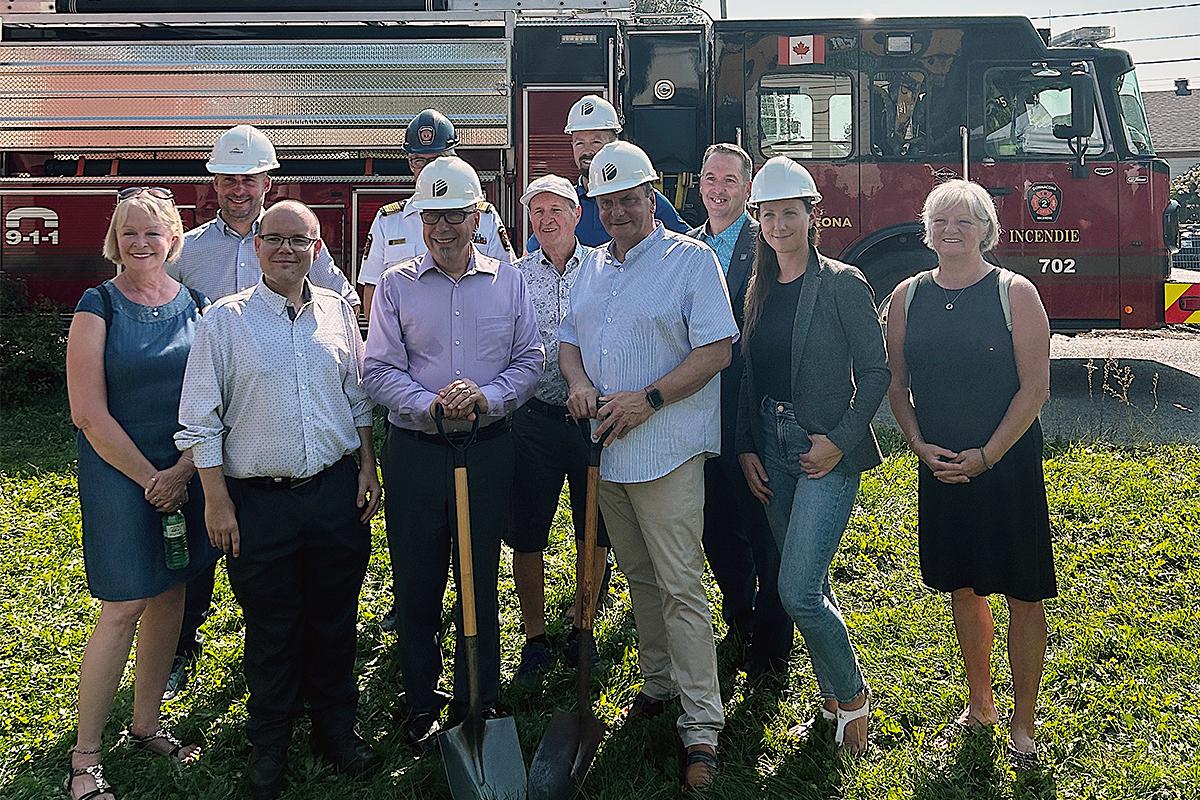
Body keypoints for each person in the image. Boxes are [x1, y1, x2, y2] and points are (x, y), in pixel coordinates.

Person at [176, 201, 381, 800]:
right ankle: (269, 745)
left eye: (301, 240)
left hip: (334, 492)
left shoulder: (339, 314)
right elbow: (199, 419)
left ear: (318, 250)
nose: (287, 249)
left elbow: (359, 397)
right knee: (272, 624)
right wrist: (215, 500)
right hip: (258, 501)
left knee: (335, 617)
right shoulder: (224, 321)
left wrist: (368, 465)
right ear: (258, 246)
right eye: (276, 239)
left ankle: (334, 731)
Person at [559, 141, 737, 790]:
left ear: (652, 195)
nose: (617, 211)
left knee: (682, 587)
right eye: (605, 202)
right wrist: (577, 382)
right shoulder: (591, 268)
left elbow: (716, 349)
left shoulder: (689, 261)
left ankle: (702, 728)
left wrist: (649, 398)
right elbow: (570, 342)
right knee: (639, 577)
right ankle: (658, 685)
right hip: (607, 458)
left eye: (628, 199)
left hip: (665, 454)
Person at [162, 123, 359, 701]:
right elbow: (155, 302)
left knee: (268, 563)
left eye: (249, 179)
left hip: (280, 426)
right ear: (214, 185)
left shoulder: (298, 239)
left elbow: (341, 305)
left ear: (266, 182)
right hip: (211, 412)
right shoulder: (191, 251)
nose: (238, 189)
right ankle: (183, 646)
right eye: (228, 179)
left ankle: (294, 676)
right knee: (206, 538)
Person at [362, 156, 543, 752]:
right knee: (417, 579)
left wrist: (487, 397)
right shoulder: (395, 286)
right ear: (420, 221)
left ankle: (479, 695)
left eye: (455, 217)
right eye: (432, 217)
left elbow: (530, 360)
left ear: (478, 216)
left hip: (488, 449)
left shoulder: (509, 279)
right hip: (416, 452)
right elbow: (379, 370)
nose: (443, 228)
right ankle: (420, 699)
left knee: (479, 576)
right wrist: (431, 405)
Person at [885, 179, 1054, 770]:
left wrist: (988, 454)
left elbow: (1036, 387)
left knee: (1022, 591)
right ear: (925, 231)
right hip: (942, 468)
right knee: (963, 585)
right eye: (940, 221)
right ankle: (980, 703)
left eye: (964, 221)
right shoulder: (906, 296)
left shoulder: (1016, 292)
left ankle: (1025, 720)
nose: (951, 231)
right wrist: (919, 445)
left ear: (987, 229)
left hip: (1005, 468)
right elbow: (897, 384)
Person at [64, 187, 217, 800]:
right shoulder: (96, 305)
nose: (141, 242)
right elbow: (88, 414)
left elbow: (213, 399)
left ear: (173, 238)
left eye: (153, 231)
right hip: (119, 473)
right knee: (125, 605)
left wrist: (181, 471)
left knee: (172, 597)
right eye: (130, 231)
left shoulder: (197, 306)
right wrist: (151, 478)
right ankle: (85, 758)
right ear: (115, 239)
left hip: (184, 471)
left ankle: (147, 724)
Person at [735, 156, 888, 756]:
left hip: (822, 447)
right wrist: (748, 444)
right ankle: (830, 698)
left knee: (796, 590)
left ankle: (851, 699)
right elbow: (750, 371)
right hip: (770, 444)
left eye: (788, 212)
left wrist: (840, 441)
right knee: (811, 581)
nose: (778, 224)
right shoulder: (760, 284)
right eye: (767, 215)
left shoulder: (844, 283)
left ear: (809, 214)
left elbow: (875, 373)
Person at [688, 143, 793, 679]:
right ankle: (740, 615)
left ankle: (774, 645)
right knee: (715, 526)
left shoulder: (767, 250)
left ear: (747, 190)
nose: (718, 189)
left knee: (763, 527)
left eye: (730, 179)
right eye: (710, 178)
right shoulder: (687, 248)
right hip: (699, 417)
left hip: (749, 414)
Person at [507, 174, 611, 682]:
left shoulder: (603, 267)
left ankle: (582, 624)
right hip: (534, 420)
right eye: (537, 212)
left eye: (556, 210)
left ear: (576, 214)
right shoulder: (515, 275)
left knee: (592, 527)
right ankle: (534, 637)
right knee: (529, 531)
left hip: (591, 422)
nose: (546, 221)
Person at [357, 109, 515, 321]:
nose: (427, 169)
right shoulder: (389, 221)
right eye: (419, 161)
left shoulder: (483, 216)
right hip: (407, 341)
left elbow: (506, 283)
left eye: (436, 160)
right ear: (410, 163)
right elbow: (373, 290)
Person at [526, 94, 688, 252]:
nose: (587, 151)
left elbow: (686, 243)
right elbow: (532, 253)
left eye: (596, 142)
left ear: (614, 144)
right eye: (579, 143)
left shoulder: (643, 200)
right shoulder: (566, 204)